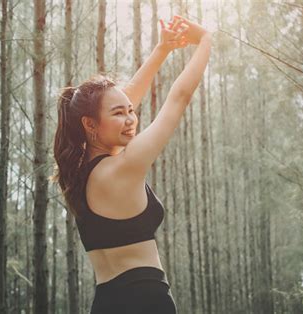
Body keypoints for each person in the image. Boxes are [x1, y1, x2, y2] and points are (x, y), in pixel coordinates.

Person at [52, 14, 212, 313]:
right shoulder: (122, 167)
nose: (130, 120)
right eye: (119, 114)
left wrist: (162, 50)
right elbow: (179, 97)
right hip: (147, 302)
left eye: (131, 111)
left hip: (105, 303)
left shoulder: (77, 173)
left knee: (119, 108)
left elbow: (122, 101)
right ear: (90, 124)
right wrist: (206, 40)